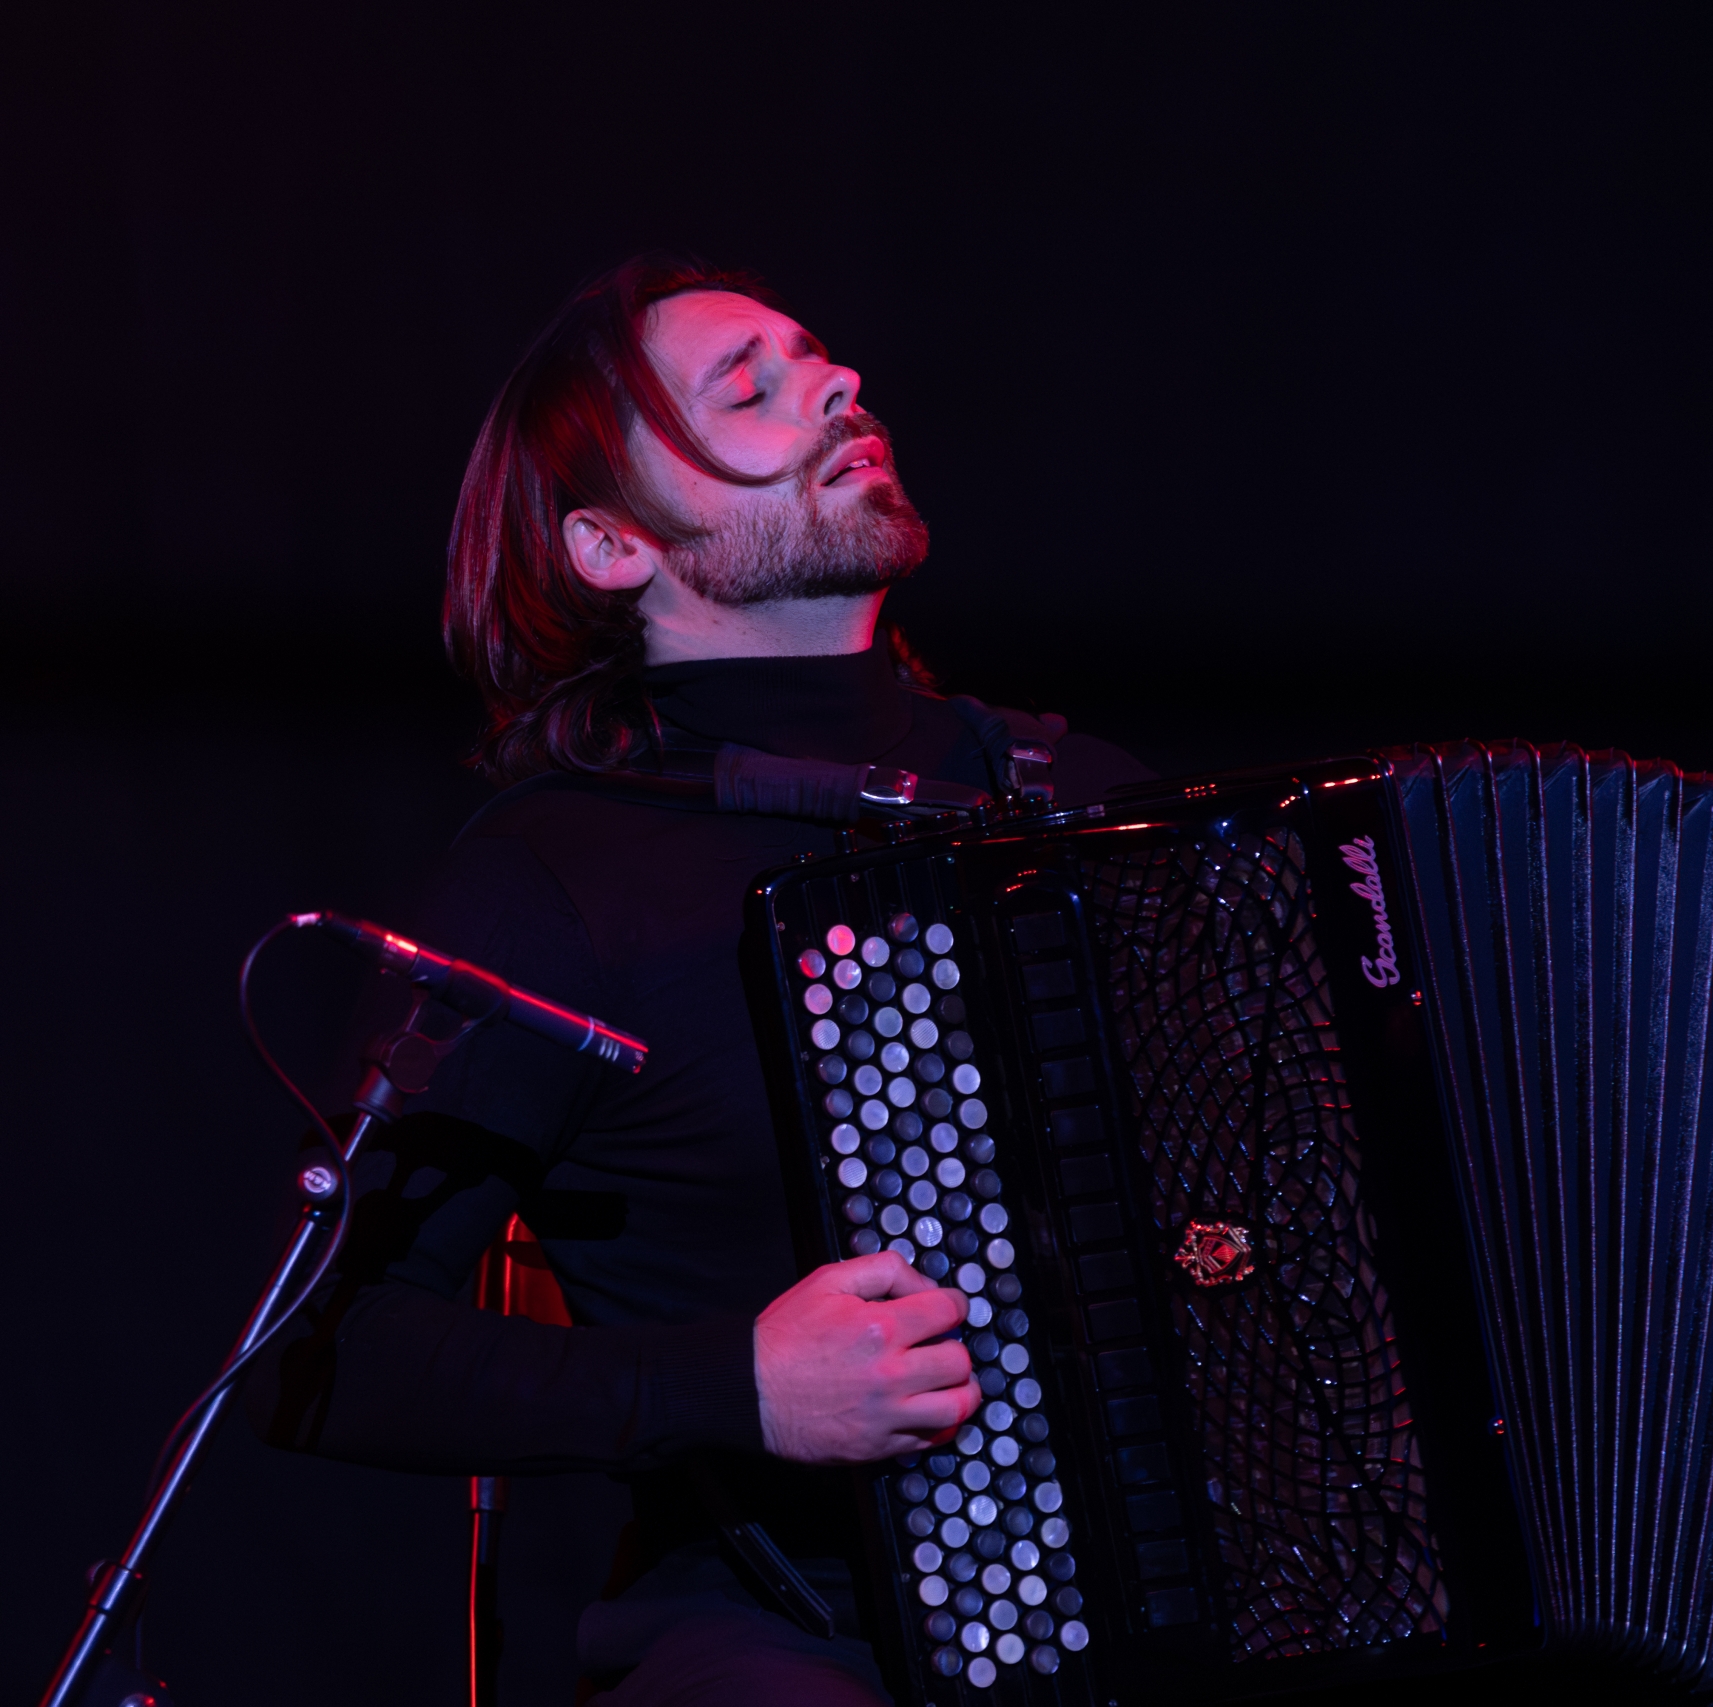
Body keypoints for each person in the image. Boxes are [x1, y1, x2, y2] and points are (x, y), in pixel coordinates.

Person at [252, 253, 1152, 1704]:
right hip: (803, 1635)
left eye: (819, 356)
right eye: (749, 388)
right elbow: (322, 1353)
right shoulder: (553, 880)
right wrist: (740, 1386)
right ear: (614, 546)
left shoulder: (1079, 798)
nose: (839, 383)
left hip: (1194, 1609)